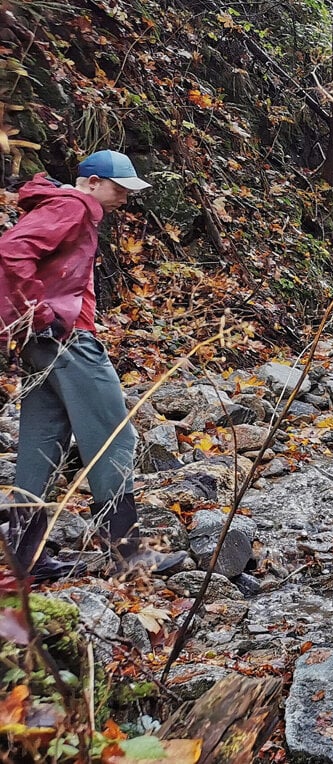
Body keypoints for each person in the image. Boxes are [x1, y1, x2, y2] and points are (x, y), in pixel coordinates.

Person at [1, 150, 187, 581]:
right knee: (114, 438)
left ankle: (22, 562)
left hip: (40, 343)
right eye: (119, 188)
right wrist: (42, 312)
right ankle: (130, 556)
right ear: (91, 182)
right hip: (67, 340)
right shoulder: (74, 205)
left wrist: (34, 318)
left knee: (40, 445)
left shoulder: (59, 204)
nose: (124, 197)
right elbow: (11, 250)